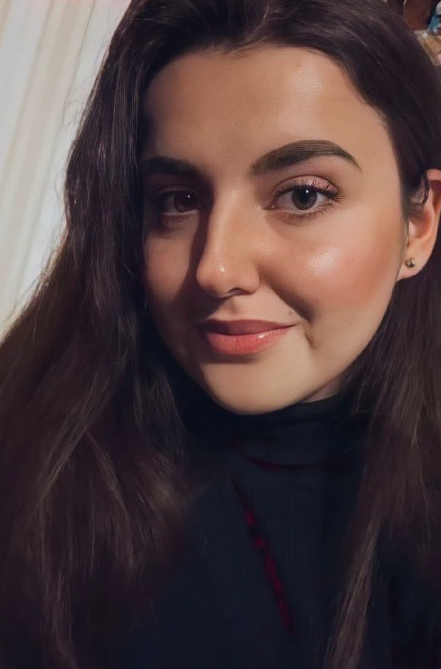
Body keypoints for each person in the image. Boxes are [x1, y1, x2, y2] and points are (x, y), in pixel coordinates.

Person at [0, 0, 441, 667]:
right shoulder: (34, 476)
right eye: (177, 200)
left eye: (302, 194)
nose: (216, 268)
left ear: (419, 225)